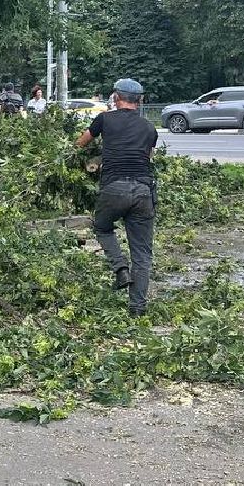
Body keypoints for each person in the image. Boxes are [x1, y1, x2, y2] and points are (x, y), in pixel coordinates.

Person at [76, 78, 158, 317]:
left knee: (101, 228)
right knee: (142, 252)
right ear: (140, 100)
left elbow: (80, 144)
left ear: (115, 98)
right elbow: (148, 157)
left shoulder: (104, 119)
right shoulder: (149, 128)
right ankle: (137, 309)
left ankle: (120, 266)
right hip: (143, 191)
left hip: (113, 189)